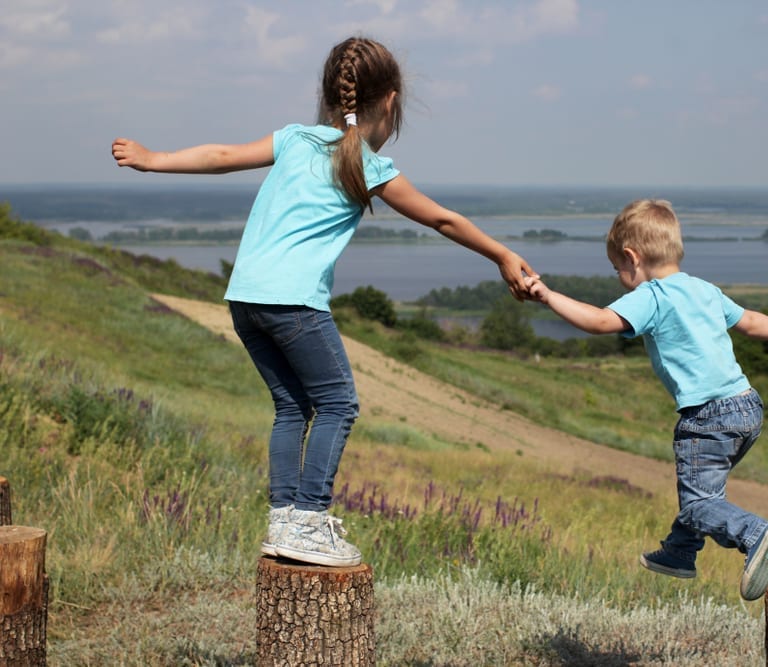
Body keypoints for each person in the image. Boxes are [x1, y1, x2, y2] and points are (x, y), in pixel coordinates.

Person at [112, 36, 535, 568]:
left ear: (331, 93)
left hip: (245, 299)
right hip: (294, 304)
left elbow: (221, 157)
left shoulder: (293, 140)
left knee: (292, 406)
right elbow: (442, 219)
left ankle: (284, 519)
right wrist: (501, 255)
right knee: (338, 403)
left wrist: (154, 160)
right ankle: (309, 520)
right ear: (391, 102)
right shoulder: (368, 166)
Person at [525, 199, 768, 601]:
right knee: (704, 496)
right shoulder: (704, 289)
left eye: (617, 268)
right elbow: (751, 321)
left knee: (698, 504)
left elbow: (597, 321)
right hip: (747, 407)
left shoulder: (652, 296)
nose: (619, 277)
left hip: (707, 418)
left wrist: (547, 295)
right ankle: (680, 552)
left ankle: (755, 534)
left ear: (632, 257)